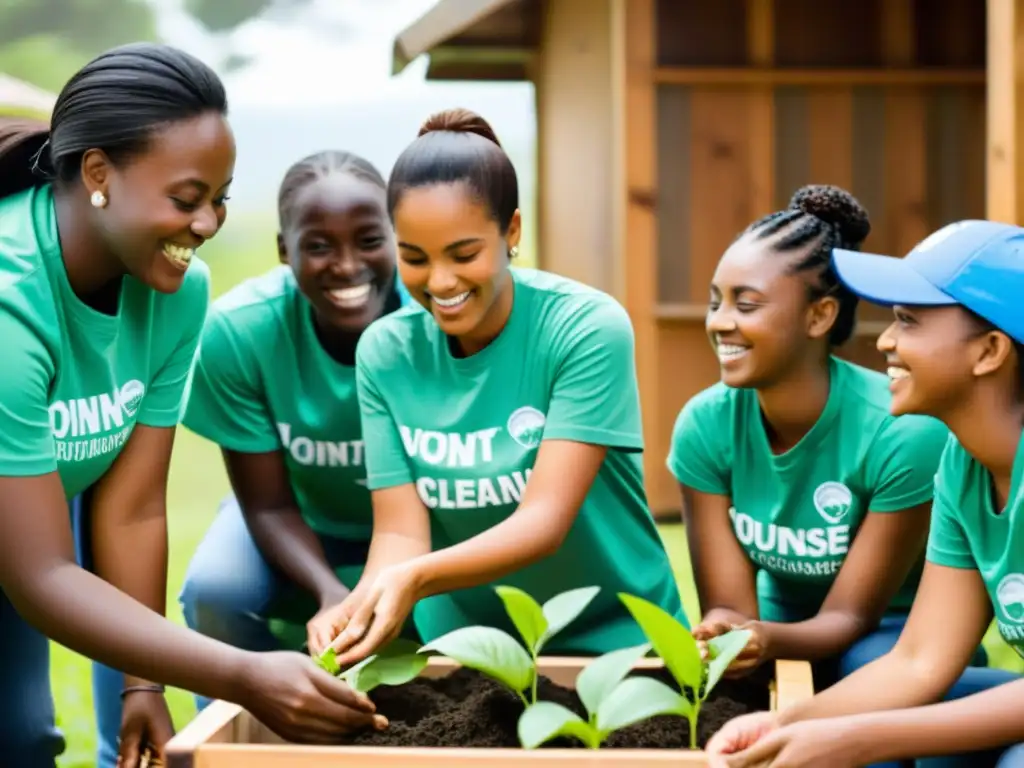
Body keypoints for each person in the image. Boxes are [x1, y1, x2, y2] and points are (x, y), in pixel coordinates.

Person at [0, 43, 384, 768]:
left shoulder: (176, 291)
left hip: (28, 515)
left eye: (220, 198)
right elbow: (41, 573)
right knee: (18, 742)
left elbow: (132, 506)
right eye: (186, 199)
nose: (206, 223)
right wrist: (240, 672)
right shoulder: (10, 305)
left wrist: (142, 684)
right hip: (20, 538)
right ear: (97, 174)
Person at [307, 107, 685, 665]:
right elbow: (400, 536)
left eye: (464, 255)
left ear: (511, 231)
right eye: (413, 258)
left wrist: (413, 578)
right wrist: (358, 608)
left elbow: (543, 523)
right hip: (466, 651)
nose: (439, 282)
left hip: (620, 641)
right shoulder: (385, 353)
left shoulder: (582, 329)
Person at [707, 219, 1024, 768]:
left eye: (908, 320)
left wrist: (858, 738)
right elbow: (921, 661)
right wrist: (782, 722)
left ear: (990, 350)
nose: (885, 340)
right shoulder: (962, 465)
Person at [667, 185, 957, 693]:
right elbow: (731, 608)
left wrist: (763, 640)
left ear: (819, 316)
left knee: (862, 668)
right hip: (778, 632)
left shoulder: (901, 433)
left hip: (891, 638)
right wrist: (725, 632)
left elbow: (850, 618)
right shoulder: (706, 426)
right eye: (716, 302)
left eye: (746, 304)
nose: (720, 322)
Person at [177, 150, 416, 711]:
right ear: (285, 251)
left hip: (426, 525)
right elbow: (266, 506)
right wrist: (330, 591)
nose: (347, 264)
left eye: (369, 239)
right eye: (318, 246)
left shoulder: (434, 321)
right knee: (216, 591)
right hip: (294, 513)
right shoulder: (241, 332)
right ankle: (249, 730)